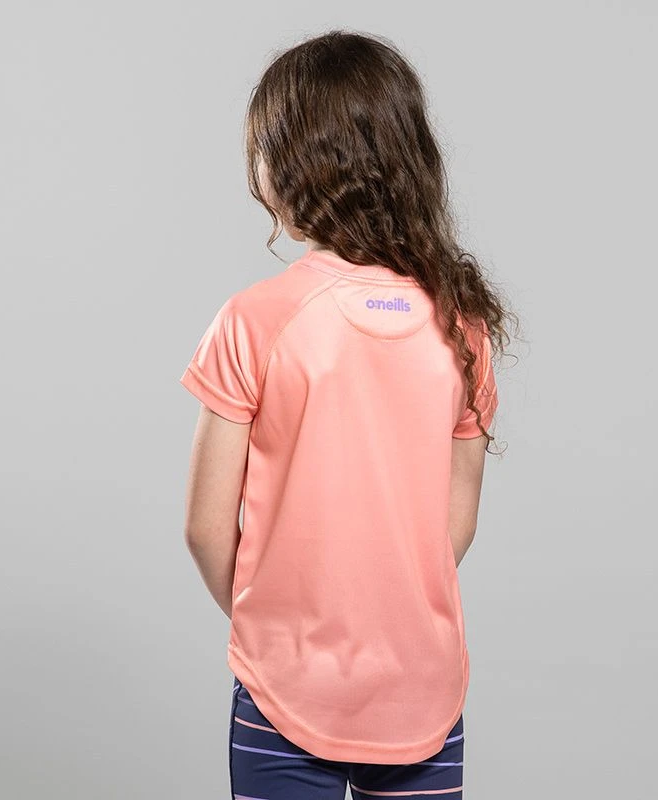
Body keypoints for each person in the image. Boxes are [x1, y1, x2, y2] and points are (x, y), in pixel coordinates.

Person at [179, 28, 515, 800]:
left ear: (291, 165)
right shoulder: (462, 324)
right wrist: (382, 606)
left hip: (284, 689)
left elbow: (204, 526)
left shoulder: (255, 320)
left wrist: (277, 626)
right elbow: (456, 522)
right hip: (420, 687)